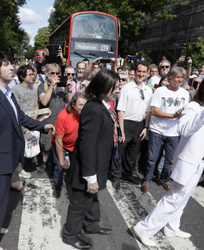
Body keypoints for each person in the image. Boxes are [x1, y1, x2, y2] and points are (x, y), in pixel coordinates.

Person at [133, 73, 204, 246]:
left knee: (183, 198)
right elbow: (184, 130)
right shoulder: (194, 107)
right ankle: (144, 228)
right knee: (174, 198)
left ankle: (172, 227)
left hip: (199, 161)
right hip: (187, 161)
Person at [0, 52, 54, 250]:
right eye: (6, 65)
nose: (12, 68)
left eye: (11, 64)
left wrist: (42, 126)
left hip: (10, 155)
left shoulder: (8, 93)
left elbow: (20, 117)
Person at [62, 69, 119, 249]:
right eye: (115, 86)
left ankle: (91, 224)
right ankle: (70, 235)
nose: (118, 89)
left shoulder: (102, 104)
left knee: (92, 199)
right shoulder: (93, 108)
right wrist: (91, 177)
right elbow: (87, 145)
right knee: (80, 203)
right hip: (88, 168)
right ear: (105, 87)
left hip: (98, 163)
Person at [141, 67, 190, 193]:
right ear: (169, 79)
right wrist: (173, 115)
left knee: (169, 160)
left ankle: (164, 180)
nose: (180, 80)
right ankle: (146, 180)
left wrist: (182, 113)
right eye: (177, 77)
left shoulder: (184, 93)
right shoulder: (160, 91)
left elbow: (187, 111)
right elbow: (155, 111)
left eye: (181, 78)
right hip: (157, 130)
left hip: (174, 132)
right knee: (152, 158)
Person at [114, 61, 152, 187]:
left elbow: (148, 111)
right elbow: (120, 110)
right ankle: (115, 176)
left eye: (143, 72)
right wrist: (122, 130)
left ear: (147, 73)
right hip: (126, 123)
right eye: (139, 71)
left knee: (132, 152)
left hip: (140, 125)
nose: (141, 74)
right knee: (120, 151)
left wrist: (146, 127)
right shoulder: (126, 88)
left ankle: (127, 174)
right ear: (135, 72)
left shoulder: (148, 90)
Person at [52, 93, 87, 198]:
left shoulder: (83, 114)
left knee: (75, 165)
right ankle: (57, 186)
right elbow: (58, 140)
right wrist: (62, 159)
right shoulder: (63, 116)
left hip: (74, 144)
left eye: (85, 105)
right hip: (61, 143)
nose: (83, 108)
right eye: (81, 105)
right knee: (60, 166)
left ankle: (72, 183)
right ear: (73, 105)